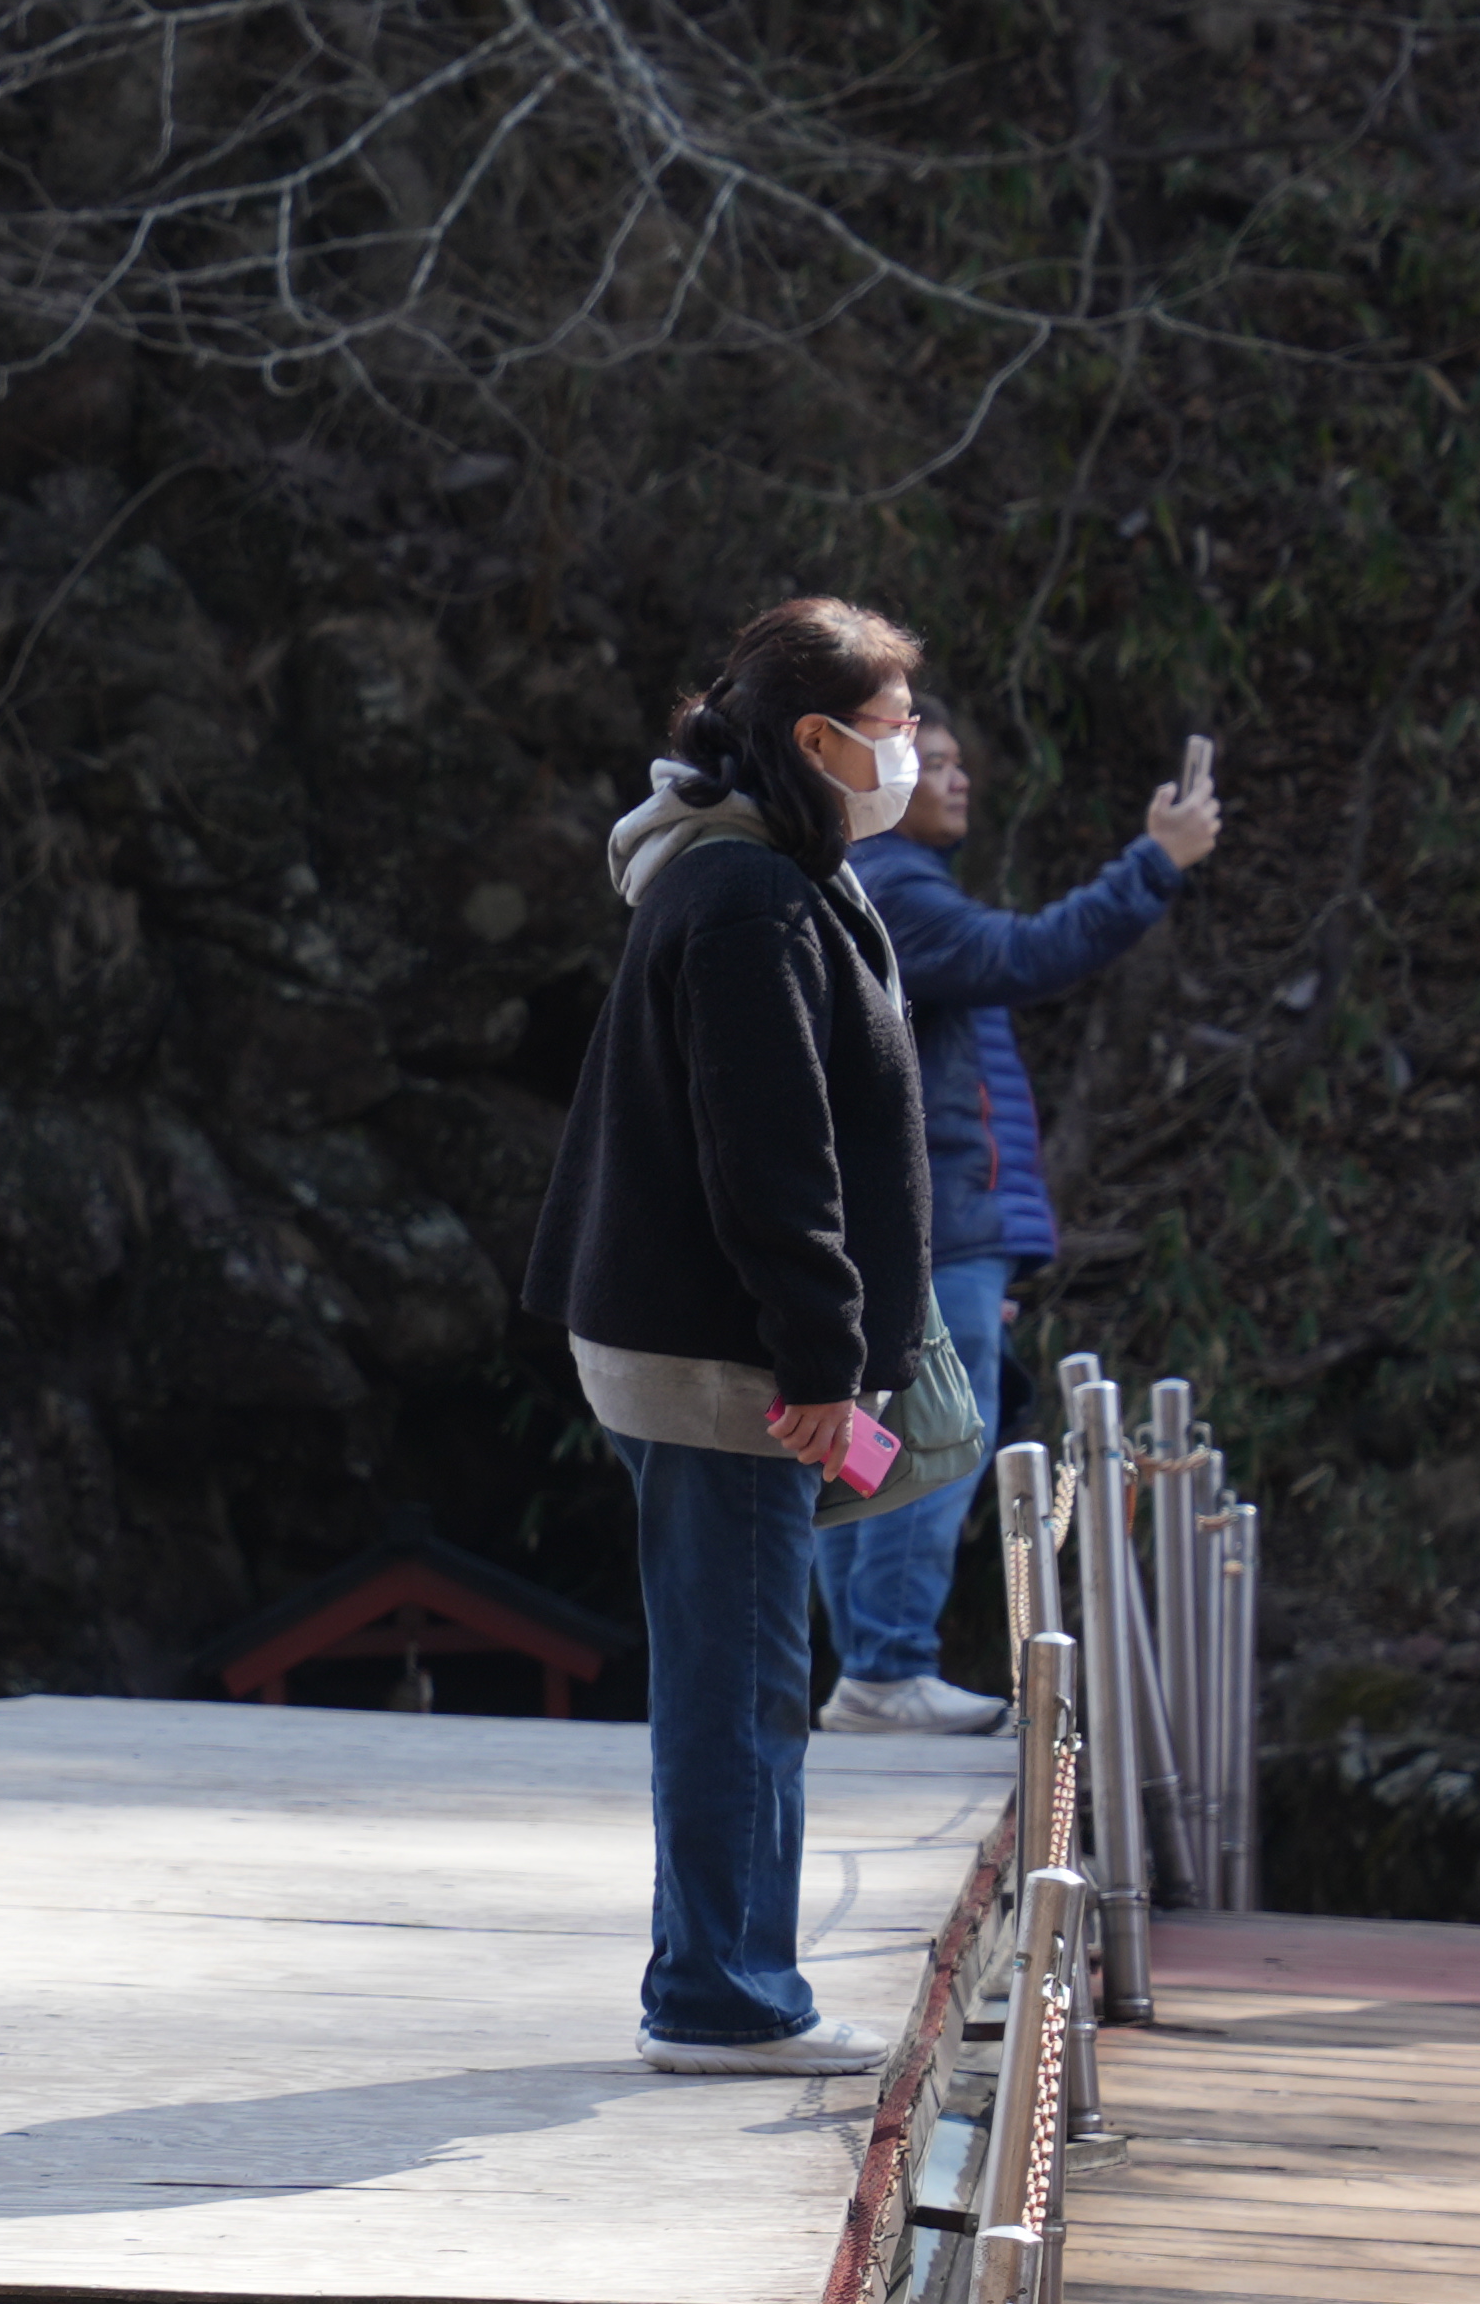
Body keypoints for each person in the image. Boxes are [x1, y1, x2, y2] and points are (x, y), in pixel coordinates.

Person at [514, 598, 934, 2075]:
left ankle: (725, 1972)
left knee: (737, 1665)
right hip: (729, 1364)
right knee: (741, 1681)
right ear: (815, 739)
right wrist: (822, 1363)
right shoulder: (748, 897)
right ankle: (723, 1996)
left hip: (704, 1347)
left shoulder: (754, 875)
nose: (912, 752)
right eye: (891, 727)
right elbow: (774, 1158)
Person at [811, 715, 1221, 1734]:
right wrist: (1154, 864)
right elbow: (1031, 952)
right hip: (939, 1229)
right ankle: (887, 1668)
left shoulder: (864, 887)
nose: (954, 779)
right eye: (929, 763)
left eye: (960, 763)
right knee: (933, 1441)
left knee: (866, 1448)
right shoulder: (897, 888)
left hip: (899, 1224)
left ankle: (870, 1669)